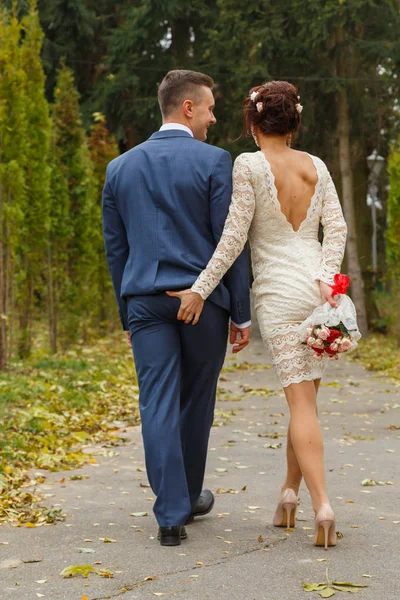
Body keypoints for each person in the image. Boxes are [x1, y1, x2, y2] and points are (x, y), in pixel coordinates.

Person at [174, 81, 348, 550]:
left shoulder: (248, 164)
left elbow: (234, 238)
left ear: (253, 123)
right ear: (294, 122)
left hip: (277, 292)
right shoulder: (317, 166)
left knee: (301, 405)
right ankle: (288, 495)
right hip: (316, 291)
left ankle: (322, 503)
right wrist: (328, 280)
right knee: (307, 399)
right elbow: (337, 228)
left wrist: (199, 289)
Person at [102, 70, 251, 547]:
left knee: (158, 401)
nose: (213, 117)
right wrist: (241, 312)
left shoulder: (119, 168)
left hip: (144, 301)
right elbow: (231, 243)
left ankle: (171, 513)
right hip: (201, 301)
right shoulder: (214, 162)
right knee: (196, 400)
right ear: (187, 108)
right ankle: (185, 495)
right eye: (209, 107)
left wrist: (128, 313)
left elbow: (116, 250)